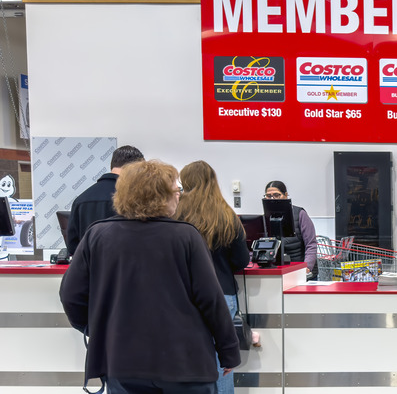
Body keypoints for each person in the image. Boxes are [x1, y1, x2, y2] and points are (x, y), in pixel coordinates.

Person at [59, 160, 240, 394]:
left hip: (122, 362)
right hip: (184, 363)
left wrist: (100, 329)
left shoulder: (97, 235)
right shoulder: (186, 236)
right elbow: (211, 301)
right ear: (160, 196)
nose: (179, 196)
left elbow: (70, 296)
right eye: (176, 191)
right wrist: (228, 351)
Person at [174, 161, 250, 394]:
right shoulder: (226, 215)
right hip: (222, 293)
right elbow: (240, 260)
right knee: (222, 361)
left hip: (182, 295)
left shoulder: (175, 214)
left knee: (183, 357)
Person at [65, 145, 144, 255]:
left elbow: (73, 246)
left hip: (91, 269)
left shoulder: (81, 200)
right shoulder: (135, 198)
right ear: (135, 168)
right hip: (123, 268)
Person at [264, 181, 318, 278]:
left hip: (300, 269)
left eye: (277, 195)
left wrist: (307, 267)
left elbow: (311, 245)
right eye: (268, 196)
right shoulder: (266, 217)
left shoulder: (300, 214)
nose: (272, 199)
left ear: (285, 195)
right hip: (278, 270)